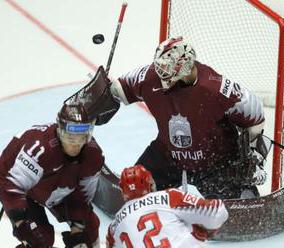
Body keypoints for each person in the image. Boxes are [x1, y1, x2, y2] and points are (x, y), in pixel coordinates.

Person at [73, 36, 270, 202]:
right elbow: (116, 91)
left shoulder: (218, 89)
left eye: (167, 70)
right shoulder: (147, 77)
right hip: (167, 156)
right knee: (134, 192)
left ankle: (241, 195)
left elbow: (255, 119)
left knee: (241, 210)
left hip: (216, 164)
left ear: (185, 66)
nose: (160, 75)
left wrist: (256, 159)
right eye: (159, 68)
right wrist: (96, 98)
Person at [0, 102, 104, 248]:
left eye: (81, 137)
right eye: (70, 137)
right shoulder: (40, 150)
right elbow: (9, 185)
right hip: (25, 190)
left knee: (89, 228)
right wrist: (21, 224)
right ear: (60, 131)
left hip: (57, 189)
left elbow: (81, 199)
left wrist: (77, 232)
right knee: (39, 240)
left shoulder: (93, 156)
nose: (76, 145)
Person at [106, 165, 228, 248]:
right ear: (149, 183)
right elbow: (217, 213)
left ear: (123, 192)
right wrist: (201, 232)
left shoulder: (113, 228)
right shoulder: (168, 197)